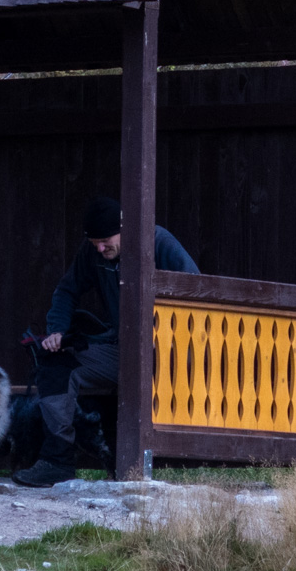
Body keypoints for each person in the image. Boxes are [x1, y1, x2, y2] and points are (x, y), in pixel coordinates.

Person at [11, 196, 199, 487]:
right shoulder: (93, 253)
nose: (100, 248)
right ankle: (57, 461)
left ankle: (141, 462)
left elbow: (195, 288)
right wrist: (57, 331)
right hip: (120, 348)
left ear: (125, 228)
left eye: (106, 240)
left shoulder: (159, 242)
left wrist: (169, 340)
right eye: (94, 242)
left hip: (167, 352)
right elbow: (66, 290)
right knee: (55, 365)